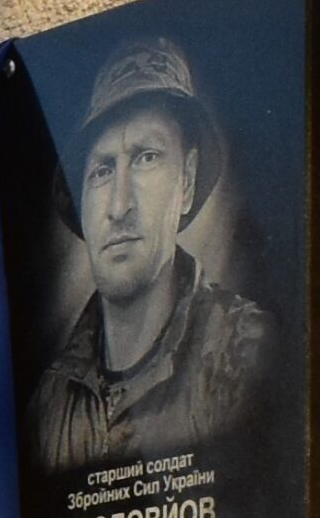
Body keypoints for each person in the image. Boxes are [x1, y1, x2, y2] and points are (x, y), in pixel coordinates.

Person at [24, 37, 271, 475]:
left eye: (146, 158)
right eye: (102, 170)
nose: (119, 205)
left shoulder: (243, 351)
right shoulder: (51, 402)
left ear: (188, 182)